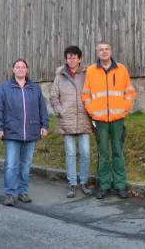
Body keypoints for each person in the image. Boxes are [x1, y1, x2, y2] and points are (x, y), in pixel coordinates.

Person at [81, 41, 137, 199]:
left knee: (118, 151)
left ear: (110, 51)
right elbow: (85, 94)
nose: (104, 52)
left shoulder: (121, 69)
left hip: (118, 118)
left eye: (106, 49)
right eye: (101, 50)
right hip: (99, 119)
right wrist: (92, 111)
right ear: (97, 53)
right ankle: (104, 185)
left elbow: (130, 92)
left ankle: (120, 185)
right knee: (103, 153)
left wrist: (125, 108)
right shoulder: (91, 71)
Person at [0, 58, 49, 206]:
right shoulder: (5, 87)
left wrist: (44, 125)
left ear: (27, 70)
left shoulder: (34, 88)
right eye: (17, 67)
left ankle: (23, 192)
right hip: (11, 132)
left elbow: (42, 108)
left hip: (31, 132)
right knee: (11, 165)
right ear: (13, 70)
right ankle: (9, 194)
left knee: (25, 164)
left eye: (23, 67)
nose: (20, 69)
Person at [49, 46, 94, 198]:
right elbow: (54, 96)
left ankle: (84, 182)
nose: (71, 60)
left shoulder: (87, 74)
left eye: (74, 57)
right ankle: (72, 183)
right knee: (70, 153)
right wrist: (59, 111)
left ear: (80, 59)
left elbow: (93, 92)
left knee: (86, 153)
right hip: (66, 119)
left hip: (84, 118)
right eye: (69, 57)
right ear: (66, 59)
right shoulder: (60, 76)